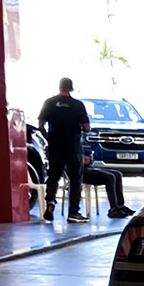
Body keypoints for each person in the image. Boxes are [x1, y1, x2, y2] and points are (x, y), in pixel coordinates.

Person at [37, 77, 90, 223]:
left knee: (53, 176)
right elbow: (86, 127)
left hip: (55, 146)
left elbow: (40, 125)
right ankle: (73, 212)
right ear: (71, 88)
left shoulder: (49, 102)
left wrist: (49, 138)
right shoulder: (78, 105)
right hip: (73, 147)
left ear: (59, 87)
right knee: (75, 180)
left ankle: (50, 202)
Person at [81, 150, 135, 218]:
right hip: (79, 171)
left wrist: (90, 158)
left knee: (117, 174)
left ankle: (120, 205)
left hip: (87, 167)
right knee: (110, 177)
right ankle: (113, 208)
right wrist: (81, 159)